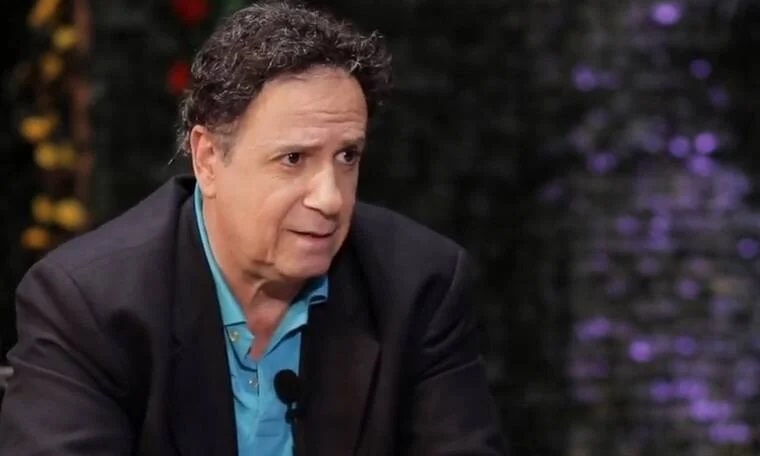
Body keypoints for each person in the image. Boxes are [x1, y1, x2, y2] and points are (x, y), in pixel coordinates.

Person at [0, 2, 505, 454]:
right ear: (207, 159)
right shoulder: (88, 305)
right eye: (294, 159)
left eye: (347, 156)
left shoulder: (419, 284)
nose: (330, 198)